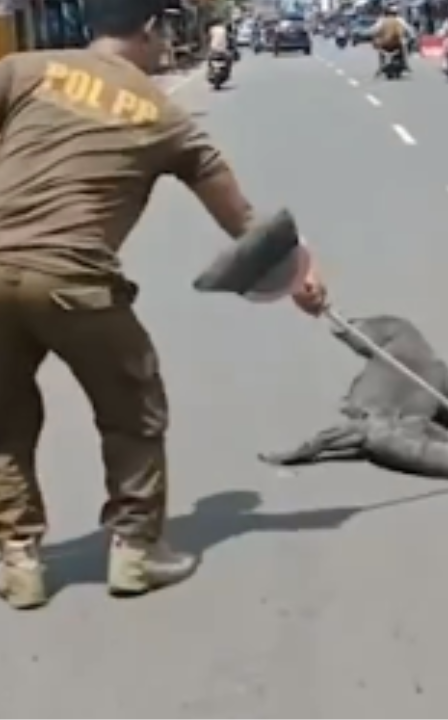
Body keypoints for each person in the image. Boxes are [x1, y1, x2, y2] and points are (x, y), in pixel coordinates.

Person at [0, 0, 328, 609]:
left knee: (5, 418)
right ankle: (135, 549)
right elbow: (246, 225)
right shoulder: (164, 116)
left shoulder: (20, 70)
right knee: (134, 410)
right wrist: (301, 279)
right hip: (76, 282)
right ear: (152, 30)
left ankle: (18, 558)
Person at [370, 3, 415, 77]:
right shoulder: (399, 20)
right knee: (404, 46)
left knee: (380, 50)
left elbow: (373, 30)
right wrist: (412, 37)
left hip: (385, 43)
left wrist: (374, 38)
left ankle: (381, 66)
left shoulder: (382, 20)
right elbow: (409, 30)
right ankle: (406, 64)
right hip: (396, 43)